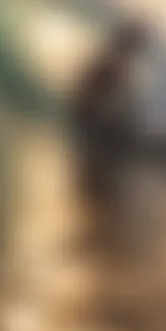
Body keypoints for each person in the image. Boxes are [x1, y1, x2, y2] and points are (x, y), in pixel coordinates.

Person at [70, 18, 150, 198]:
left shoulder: (114, 67)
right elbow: (86, 106)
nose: (136, 52)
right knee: (96, 196)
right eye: (136, 45)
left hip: (101, 145)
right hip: (97, 145)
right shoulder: (108, 67)